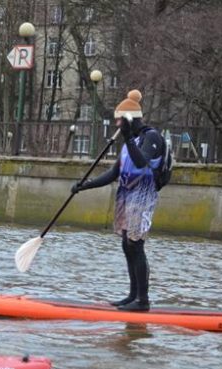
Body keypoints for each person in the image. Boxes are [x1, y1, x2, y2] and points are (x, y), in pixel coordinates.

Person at [71, 89, 165, 311]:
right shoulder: (128, 142)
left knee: (135, 243)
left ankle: (143, 300)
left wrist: (129, 138)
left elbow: (142, 162)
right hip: (126, 194)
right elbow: (113, 174)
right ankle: (132, 295)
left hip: (143, 194)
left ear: (130, 119)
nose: (117, 125)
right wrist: (85, 185)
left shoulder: (151, 137)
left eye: (119, 120)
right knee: (126, 244)